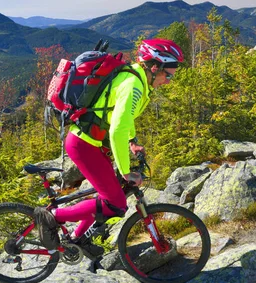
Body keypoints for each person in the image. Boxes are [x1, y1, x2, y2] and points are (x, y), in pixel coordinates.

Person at [34, 39, 184, 251]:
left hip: (90, 144)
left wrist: (132, 142)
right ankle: (52, 216)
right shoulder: (133, 85)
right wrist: (125, 171)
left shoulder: (135, 78)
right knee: (116, 204)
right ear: (154, 67)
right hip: (84, 146)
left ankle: (76, 240)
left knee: (107, 197)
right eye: (167, 75)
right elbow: (117, 131)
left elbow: (121, 119)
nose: (168, 81)